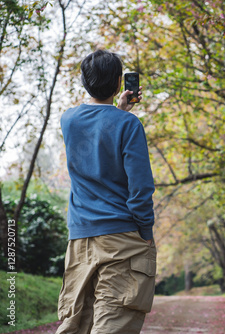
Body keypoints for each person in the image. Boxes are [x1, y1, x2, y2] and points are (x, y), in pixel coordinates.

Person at [55, 49, 156, 334]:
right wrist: (145, 233)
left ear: (85, 83)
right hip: (122, 239)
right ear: (118, 85)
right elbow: (140, 187)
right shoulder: (129, 125)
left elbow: (98, 131)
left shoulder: (69, 120)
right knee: (113, 323)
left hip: (80, 240)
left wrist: (118, 110)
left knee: (76, 324)